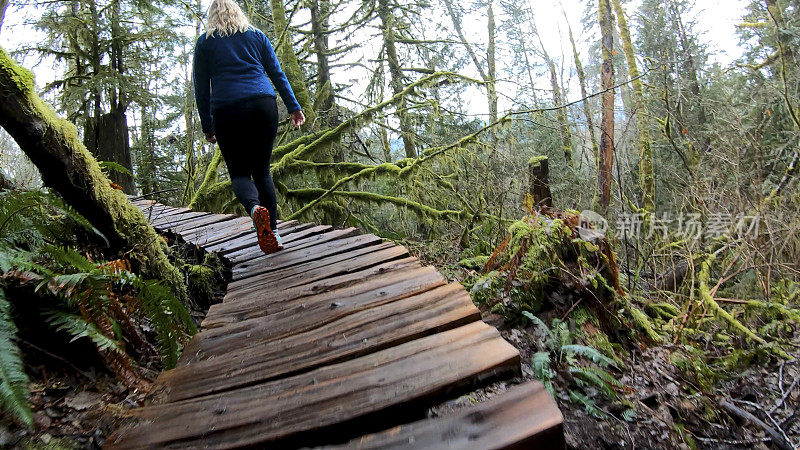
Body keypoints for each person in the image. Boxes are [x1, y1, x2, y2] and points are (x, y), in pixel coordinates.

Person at [193, 0, 305, 255]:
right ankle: (273, 232)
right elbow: (277, 74)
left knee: (240, 174)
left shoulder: (205, 42)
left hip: (226, 109)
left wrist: (207, 126)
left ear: (212, 16)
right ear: (237, 12)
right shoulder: (257, 36)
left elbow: (201, 88)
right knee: (262, 172)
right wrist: (293, 106)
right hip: (262, 105)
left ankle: (255, 210)